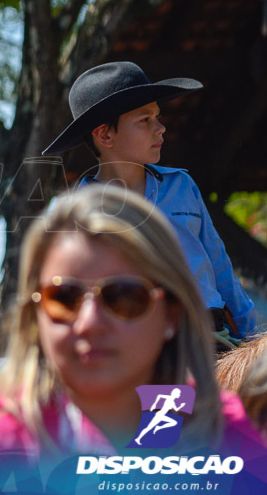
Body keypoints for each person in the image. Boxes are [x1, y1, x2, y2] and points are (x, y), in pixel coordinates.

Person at [0, 186, 267, 494]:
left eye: (124, 296)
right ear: (34, 318)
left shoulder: (234, 442)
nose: (89, 323)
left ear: (172, 314)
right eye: (63, 298)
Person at [42, 61, 255, 345]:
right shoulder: (76, 214)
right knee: (169, 391)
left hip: (210, 337)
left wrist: (252, 336)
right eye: (145, 120)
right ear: (105, 134)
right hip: (133, 343)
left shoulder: (181, 186)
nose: (161, 128)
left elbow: (219, 265)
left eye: (157, 117)